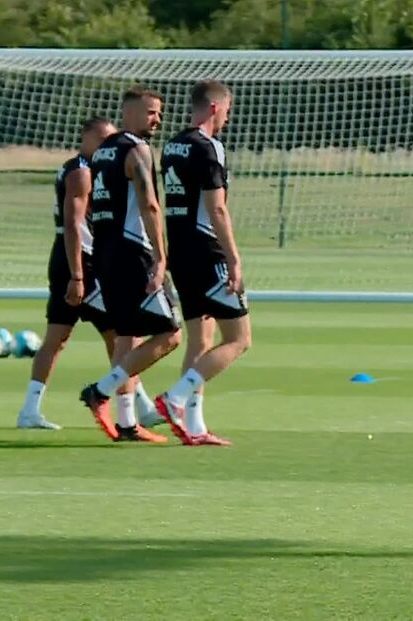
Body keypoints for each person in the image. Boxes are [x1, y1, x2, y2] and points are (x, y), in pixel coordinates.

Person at [17, 117, 161, 431]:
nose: (109, 144)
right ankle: (139, 406)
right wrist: (78, 274)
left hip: (71, 260)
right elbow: (74, 224)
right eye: (104, 137)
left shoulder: (82, 167)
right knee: (121, 334)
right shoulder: (82, 170)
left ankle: (30, 408)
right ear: (88, 137)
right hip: (81, 261)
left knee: (58, 337)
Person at [79, 87, 182, 442]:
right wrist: (161, 256)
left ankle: (126, 424)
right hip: (133, 252)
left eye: (159, 112)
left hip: (105, 253)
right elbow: (149, 204)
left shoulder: (102, 151)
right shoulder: (137, 149)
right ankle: (101, 390)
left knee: (126, 335)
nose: (158, 119)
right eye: (151, 112)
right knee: (171, 334)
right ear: (130, 113)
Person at [155, 80, 251, 446]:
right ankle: (175, 399)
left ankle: (193, 427)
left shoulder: (173, 145)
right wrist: (234, 259)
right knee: (240, 339)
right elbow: (216, 208)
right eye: (227, 110)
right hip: (207, 253)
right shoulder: (209, 147)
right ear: (215, 108)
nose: (227, 117)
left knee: (201, 339)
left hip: (180, 252)